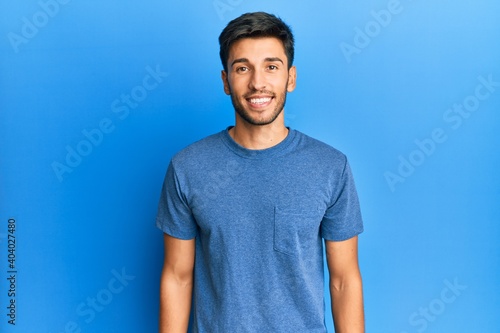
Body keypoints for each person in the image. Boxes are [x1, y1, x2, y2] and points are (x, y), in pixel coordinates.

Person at [156, 11, 364, 333]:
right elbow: (177, 276)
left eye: (271, 67)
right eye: (242, 68)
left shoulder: (330, 167)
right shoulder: (187, 167)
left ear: (290, 78)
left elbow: (344, 280)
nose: (257, 83)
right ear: (226, 81)